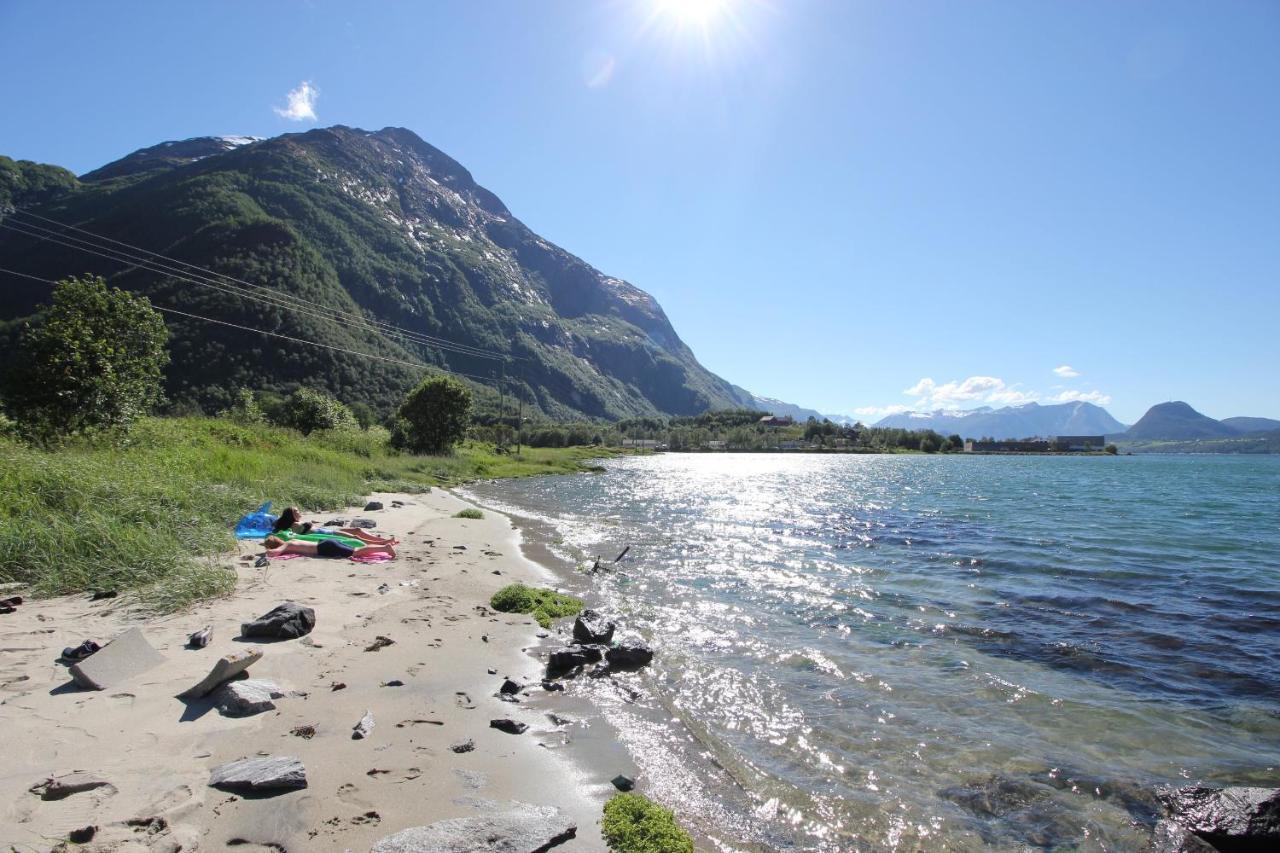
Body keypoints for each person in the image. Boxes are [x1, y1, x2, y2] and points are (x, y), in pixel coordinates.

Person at [263, 535, 395, 561]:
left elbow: (274, 553)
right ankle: (383, 547)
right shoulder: (291, 540)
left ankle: (385, 548)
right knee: (357, 551)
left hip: (325, 548)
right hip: (327, 543)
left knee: (357, 552)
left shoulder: (287, 545)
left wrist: (267, 552)